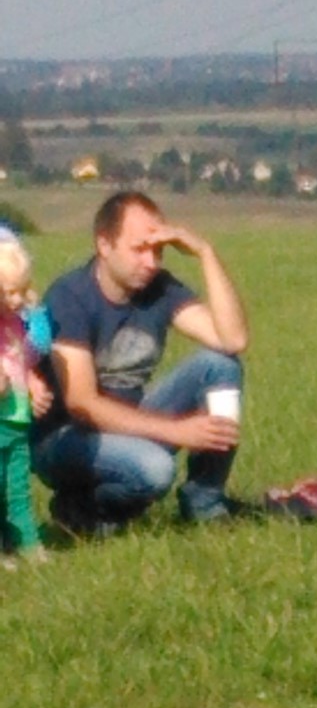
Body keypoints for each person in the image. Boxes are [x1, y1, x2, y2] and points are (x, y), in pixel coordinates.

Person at [32, 191, 248, 534]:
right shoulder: (70, 296)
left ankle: (204, 501)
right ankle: (82, 511)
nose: (151, 262)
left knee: (222, 365)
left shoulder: (159, 289)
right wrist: (176, 431)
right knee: (155, 470)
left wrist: (205, 253)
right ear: (104, 244)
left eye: (158, 250)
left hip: (131, 420)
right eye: (139, 249)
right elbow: (81, 403)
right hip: (65, 437)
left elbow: (232, 339)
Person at [0, 232, 52, 565]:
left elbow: (25, 360)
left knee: (17, 486)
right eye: (7, 293)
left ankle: (28, 543)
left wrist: (34, 382)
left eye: (20, 290)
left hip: (16, 420)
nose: (16, 300)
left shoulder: (17, 326)